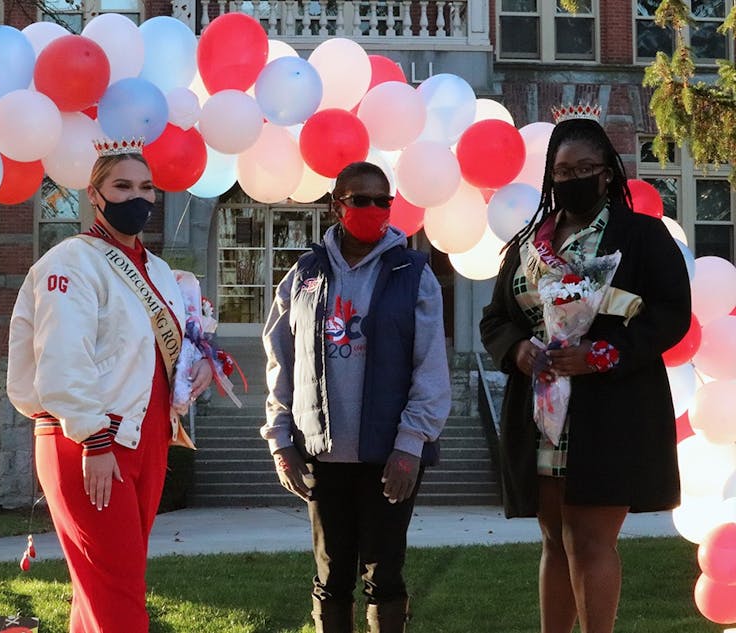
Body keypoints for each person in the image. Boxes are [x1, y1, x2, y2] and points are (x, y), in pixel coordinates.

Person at [479, 109, 691, 633]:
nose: (573, 179)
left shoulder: (641, 236)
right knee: (554, 537)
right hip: (541, 413)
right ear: (550, 177)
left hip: (610, 413)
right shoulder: (529, 244)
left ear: (607, 171)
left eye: (584, 168)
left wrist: (603, 354)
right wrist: (518, 351)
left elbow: (671, 314)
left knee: (591, 537)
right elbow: (495, 318)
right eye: (563, 171)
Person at [7, 141, 212, 633]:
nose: (136, 198)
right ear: (95, 195)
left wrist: (199, 362)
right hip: (90, 440)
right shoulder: (71, 263)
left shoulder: (160, 271)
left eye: (146, 188)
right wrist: (93, 440)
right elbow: (61, 358)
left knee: (104, 591)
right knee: (119, 598)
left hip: (147, 439)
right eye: (122, 186)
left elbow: (152, 350)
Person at [261, 161, 451, 633]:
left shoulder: (414, 273)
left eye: (382, 201)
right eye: (359, 200)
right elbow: (281, 362)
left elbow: (430, 366)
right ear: (335, 205)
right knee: (332, 576)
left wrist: (411, 444)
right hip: (322, 454)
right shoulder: (303, 276)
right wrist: (280, 439)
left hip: (389, 455)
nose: (372, 209)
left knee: (384, 575)